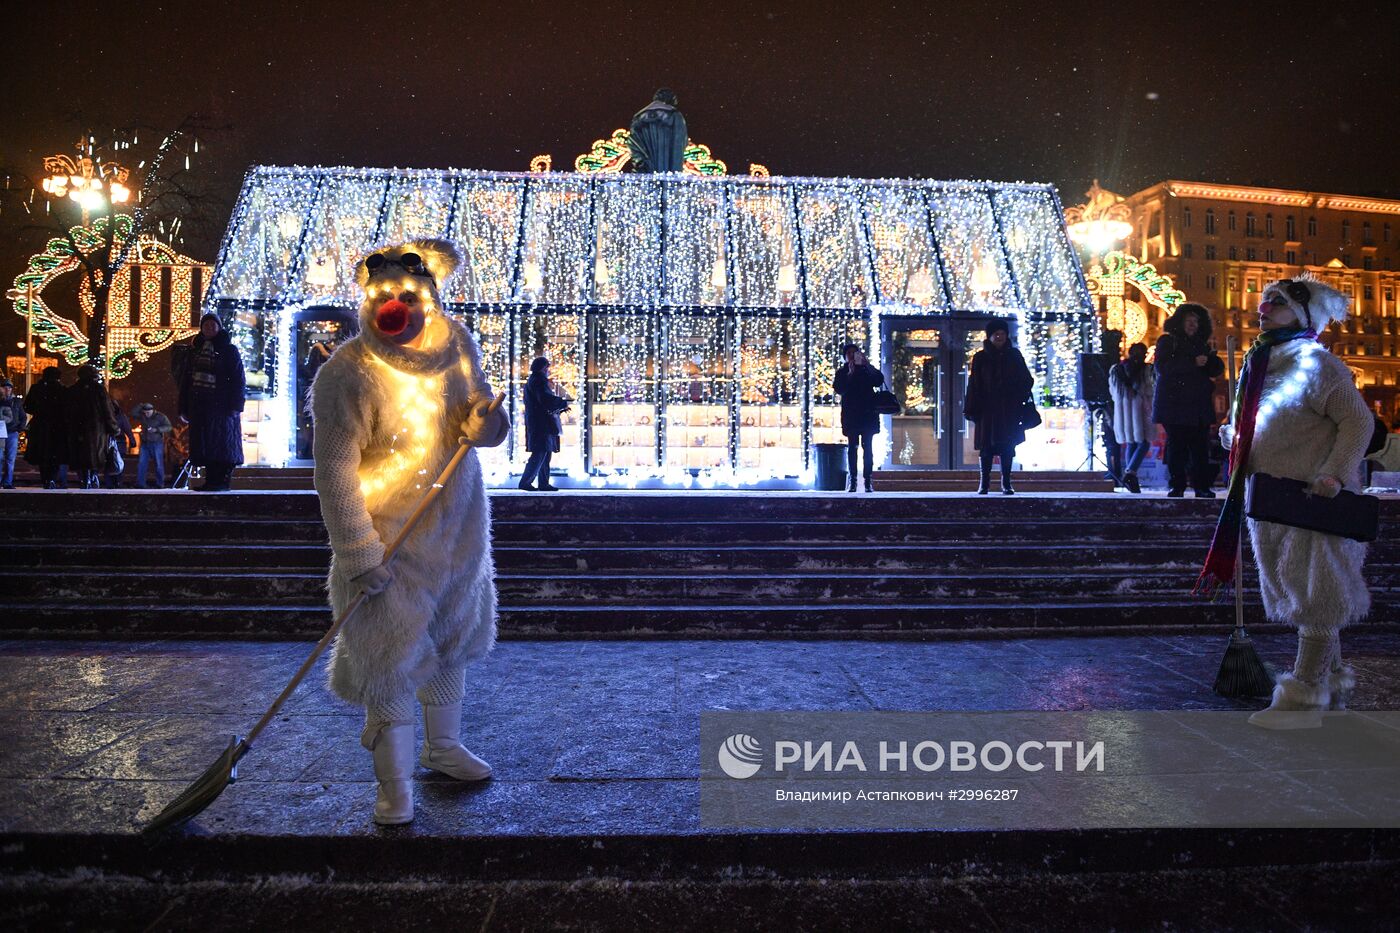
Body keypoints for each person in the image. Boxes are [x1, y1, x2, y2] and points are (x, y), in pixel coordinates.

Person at [310, 239, 510, 825]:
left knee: (452, 640)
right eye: (383, 295)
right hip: (388, 536)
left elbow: (482, 423)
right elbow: (334, 471)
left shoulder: (456, 346)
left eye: (408, 294)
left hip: (457, 528)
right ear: (367, 302)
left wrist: (486, 422)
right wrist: (358, 552)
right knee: (388, 654)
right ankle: (393, 782)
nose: (395, 305)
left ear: (428, 297)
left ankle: (442, 746)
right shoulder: (345, 373)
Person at [1199, 276, 1373, 729]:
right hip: (1269, 496)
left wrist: (1333, 473)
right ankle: (1332, 684)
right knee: (1297, 585)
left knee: (1315, 590)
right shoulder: (1262, 362)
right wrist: (1234, 436)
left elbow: (1358, 422)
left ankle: (1302, 699)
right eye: (1265, 300)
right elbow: (1269, 423)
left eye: (1276, 302)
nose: (1264, 307)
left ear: (1303, 314)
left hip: (1311, 498)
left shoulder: (1317, 364)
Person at [1152, 303, 1225, 498]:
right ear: (1180, 322)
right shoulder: (1168, 342)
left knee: (1200, 449)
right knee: (1178, 447)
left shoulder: (1202, 345)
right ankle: (1177, 486)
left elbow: (1213, 370)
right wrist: (1192, 363)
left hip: (1198, 406)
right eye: (1189, 320)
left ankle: (1201, 486)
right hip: (1175, 405)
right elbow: (1162, 368)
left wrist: (1212, 362)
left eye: (1196, 321)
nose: (1193, 324)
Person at [963, 319, 1035, 495]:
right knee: (986, 448)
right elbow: (974, 383)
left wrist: (1016, 393)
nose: (999, 337)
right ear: (990, 336)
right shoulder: (980, 357)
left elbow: (1027, 379)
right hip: (987, 410)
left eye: (1002, 334)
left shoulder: (1014, 355)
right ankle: (984, 483)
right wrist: (972, 407)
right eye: (996, 334)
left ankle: (1006, 482)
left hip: (1009, 410)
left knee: (1007, 447)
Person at [179, 313, 246, 492]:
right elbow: (186, 381)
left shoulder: (229, 350)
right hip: (200, 405)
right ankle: (210, 481)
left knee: (222, 444)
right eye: (205, 325)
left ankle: (221, 480)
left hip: (222, 406)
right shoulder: (195, 351)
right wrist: (183, 408)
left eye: (212, 325)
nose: (209, 328)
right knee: (205, 444)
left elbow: (238, 379)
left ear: (219, 327)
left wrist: (236, 405)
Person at [833, 342, 882, 493]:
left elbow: (879, 380)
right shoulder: (842, 372)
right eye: (849, 354)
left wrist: (867, 365)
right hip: (851, 415)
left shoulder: (867, 370)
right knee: (852, 448)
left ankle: (868, 480)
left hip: (867, 414)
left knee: (868, 448)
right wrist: (850, 373)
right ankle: (853, 480)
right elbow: (839, 389)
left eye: (855, 353)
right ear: (845, 357)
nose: (852, 356)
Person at [1109, 342, 1156, 494]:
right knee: (1144, 443)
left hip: (1124, 413)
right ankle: (1130, 473)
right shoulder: (1146, 370)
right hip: (1140, 411)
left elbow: (1113, 392)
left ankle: (1130, 478)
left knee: (1132, 443)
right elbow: (1149, 389)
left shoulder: (1117, 369)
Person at [62, 365, 119, 489]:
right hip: (96, 428)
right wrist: (113, 427)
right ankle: (92, 475)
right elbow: (107, 410)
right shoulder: (99, 389)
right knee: (94, 454)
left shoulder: (73, 390)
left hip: (77, 428)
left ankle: (84, 478)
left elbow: (66, 411)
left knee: (80, 454)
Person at [519, 356, 570, 491]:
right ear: (543, 367)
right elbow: (544, 399)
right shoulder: (539, 380)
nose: (548, 370)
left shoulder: (533, 380)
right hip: (541, 423)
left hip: (538, 421)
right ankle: (527, 481)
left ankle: (542, 483)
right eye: (547, 367)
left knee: (544, 452)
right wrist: (562, 402)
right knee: (541, 452)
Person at [23, 367, 68, 488]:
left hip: (40, 425)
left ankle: (45, 479)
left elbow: (27, 406)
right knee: (55, 453)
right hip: (57, 426)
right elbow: (67, 408)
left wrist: (38, 411)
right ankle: (52, 478)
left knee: (42, 453)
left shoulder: (36, 388)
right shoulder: (61, 389)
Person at [628, 88, 687, 173]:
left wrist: (641, 161)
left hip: (647, 168)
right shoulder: (674, 115)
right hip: (668, 166)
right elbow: (679, 141)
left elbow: (633, 142)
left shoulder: (638, 117)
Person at [132, 402, 173, 488]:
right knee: (142, 464)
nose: (146, 414)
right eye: (145, 413)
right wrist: (140, 405)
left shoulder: (161, 417)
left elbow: (169, 427)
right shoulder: (143, 416)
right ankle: (141, 483)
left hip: (157, 443)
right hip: (145, 443)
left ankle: (160, 484)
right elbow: (133, 413)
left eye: (148, 413)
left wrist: (157, 429)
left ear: (152, 410)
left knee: (158, 464)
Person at [0, 379, 24, 488]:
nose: (7, 390)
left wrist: (19, 428)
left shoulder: (16, 402)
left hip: (12, 432)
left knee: (10, 458)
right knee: (2, 458)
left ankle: (7, 482)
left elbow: (23, 416)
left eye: (9, 388)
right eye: (5, 388)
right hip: (1, 433)